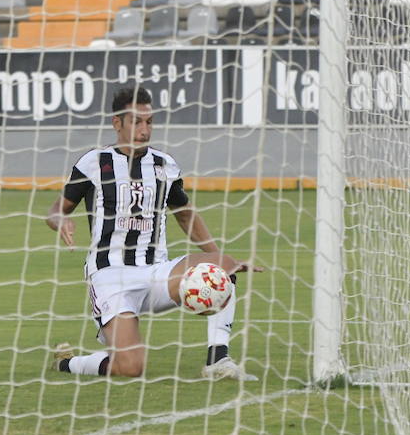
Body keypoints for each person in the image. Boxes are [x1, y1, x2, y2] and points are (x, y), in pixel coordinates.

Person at [46, 85, 259, 381]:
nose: (144, 130)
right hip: (111, 277)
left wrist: (218, 256)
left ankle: (218, 361)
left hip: (157, 272)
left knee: (222, 266)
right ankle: (67, 363)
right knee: (131, 368)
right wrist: (61, 221)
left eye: (149, 122)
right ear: (117, 123)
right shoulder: (94, 163)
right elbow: (57, 209)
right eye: (136, 122)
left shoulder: (164, 165)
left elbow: (185, 215)